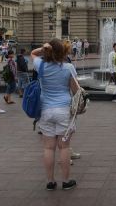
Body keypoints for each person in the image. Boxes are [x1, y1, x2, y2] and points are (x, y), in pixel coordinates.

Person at [31, 40, 81, 191]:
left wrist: (44, 48)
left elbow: (33, 53)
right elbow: (75, 91)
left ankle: (50, 181)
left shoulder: (40, 66)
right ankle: (66, 181)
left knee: (48, 148)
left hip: (46, 110)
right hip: (64, 110)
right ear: (63, 52)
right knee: (64, 147)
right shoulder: (68, 68)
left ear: (48, 51)